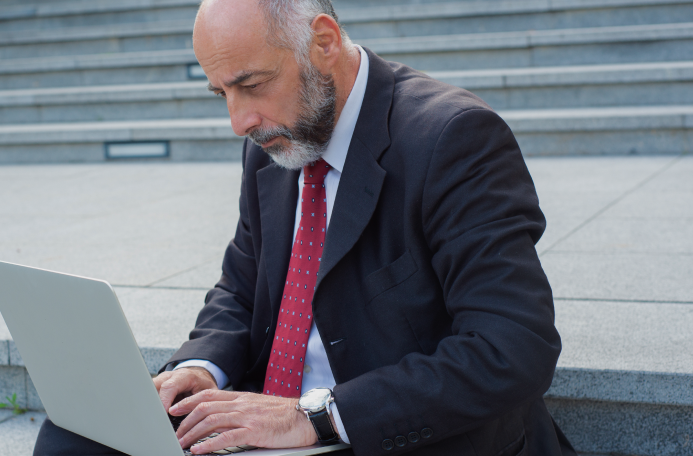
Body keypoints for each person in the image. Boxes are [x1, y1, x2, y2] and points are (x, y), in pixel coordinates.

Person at [34, 0, 577, 455]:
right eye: (222, 93)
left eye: (251, 84)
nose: (238, 121)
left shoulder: (453, 139)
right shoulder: (276, 141)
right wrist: (201, 369)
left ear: (323, 41)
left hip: (384, 431)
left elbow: (512, 348)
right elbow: (241, 288)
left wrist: (315, 417)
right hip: (273, 418)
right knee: (72, 436)